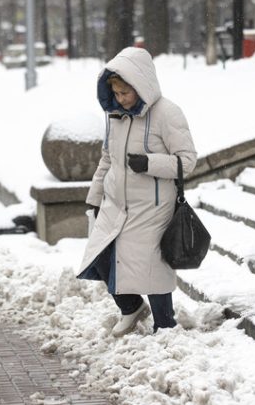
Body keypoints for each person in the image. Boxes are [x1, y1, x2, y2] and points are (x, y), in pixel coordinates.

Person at [77, 47, 197, 337]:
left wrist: (149, 163)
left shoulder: (167, 113)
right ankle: (131, 307)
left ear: (141, 85)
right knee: (100, 253)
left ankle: (165, 324)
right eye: (116, 93)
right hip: (116, 203)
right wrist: (94, 198)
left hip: (152, 207)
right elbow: (107, 159)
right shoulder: (115, 116)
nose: (120, 99)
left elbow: (188, 161)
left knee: (151, 265)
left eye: (125, 93)